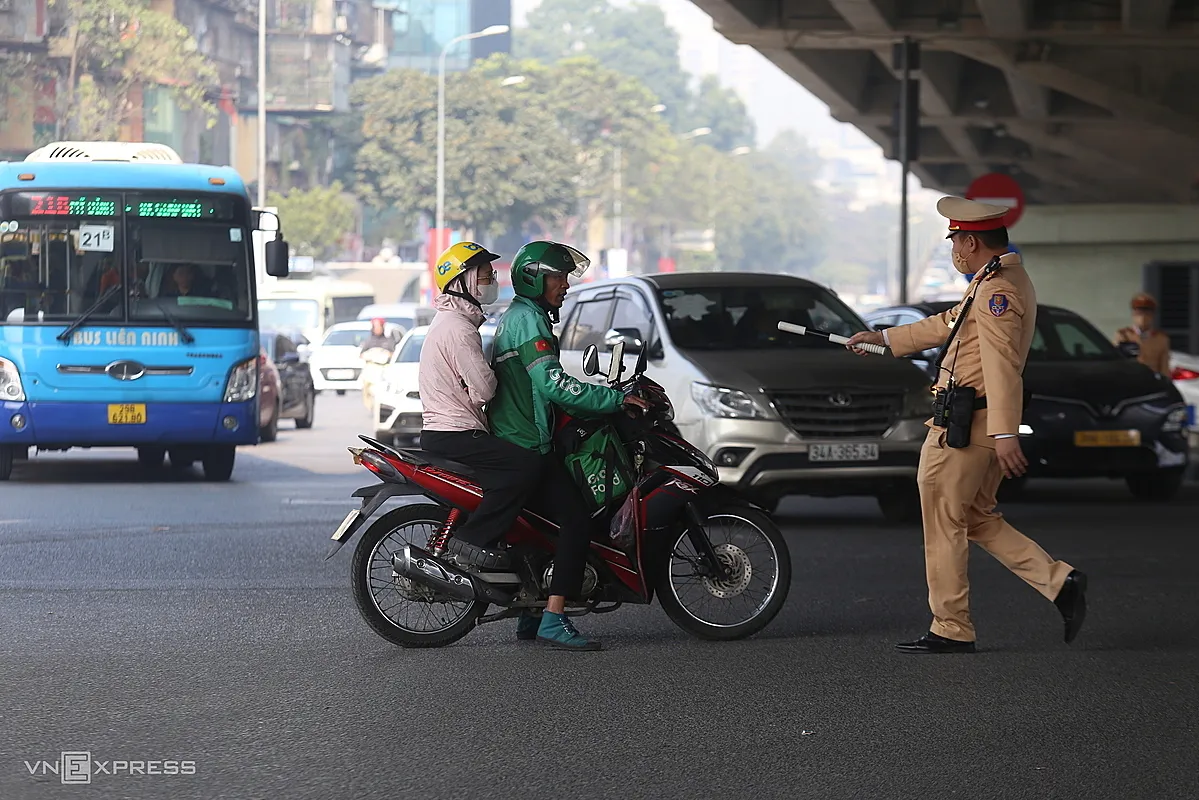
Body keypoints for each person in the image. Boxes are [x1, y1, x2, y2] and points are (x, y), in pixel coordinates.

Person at [846, 196, 1088, 654]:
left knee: (943, 521)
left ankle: (951, 627)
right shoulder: (995, 281)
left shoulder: (998, 291)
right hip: (976, 424)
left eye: (955, 239)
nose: (953, 247)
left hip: (965, 427)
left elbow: (1001, 364)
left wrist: (1005, 433)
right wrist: (883, 341)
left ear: (971, 241)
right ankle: (1060, 581)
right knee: (975, 516)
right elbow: (947, 325)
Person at [489, 240, 648, 651]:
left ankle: (532, 613)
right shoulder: (529, 320)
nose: (564, 285)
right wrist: (612, 399)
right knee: (576, 520)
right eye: (558, 277)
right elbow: (551, 383)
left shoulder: (524, 317)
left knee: (540, 526)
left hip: (521, 436)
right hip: (525, 442)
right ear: (534, 278)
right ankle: (554, 617)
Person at [418, 242, 542, 572]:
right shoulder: (458, 329)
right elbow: (485, 389)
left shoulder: (450, 322)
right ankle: (473, 540)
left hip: (445, 431)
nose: (492, 282)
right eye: (485, 276)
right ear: (465, 282)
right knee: (526, 467)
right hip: (456, 432)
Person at [1114, 293, 1171, 375]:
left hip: (1151, 381)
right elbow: (1117, 362)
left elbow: (1164, 367)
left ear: (1152, 316)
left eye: (1147, 313)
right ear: (1133, 314)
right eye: (1139, 313)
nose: (1143, 317)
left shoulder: (1161, 338)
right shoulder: (1123, 335)